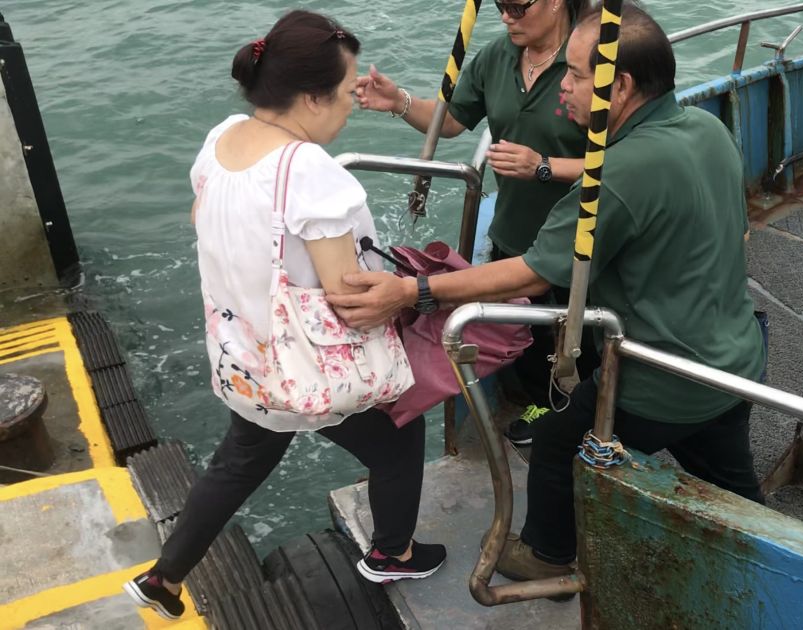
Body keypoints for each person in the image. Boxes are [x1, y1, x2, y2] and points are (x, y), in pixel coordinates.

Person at [327, 3, 766, 583]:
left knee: (558, 443)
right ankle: (763, 551)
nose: (567, 87)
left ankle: (546, 555)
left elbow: (533, 274)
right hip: (734, 360)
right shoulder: (707, 129)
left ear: (622, 85)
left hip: (661, 381)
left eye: (579, 75)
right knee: (728, 475)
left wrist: (412, 290)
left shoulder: (620, 171)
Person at [122, 12, 444, 621]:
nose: (352, 106)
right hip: (306, 369)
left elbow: (204, 221)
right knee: (401, 437)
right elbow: (350, 297)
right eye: (348, 94)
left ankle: (164, 577)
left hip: (248, 356)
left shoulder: (224, 138)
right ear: (311, 97)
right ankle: (393, 552)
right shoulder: (313, 175)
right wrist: (420, 292)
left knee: (242, 458)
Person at [355, 0, 597, 446]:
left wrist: (543, 166)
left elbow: (624, 159)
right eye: (500, 6)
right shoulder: (496, 57)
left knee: (584, 334)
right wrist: (399, 102)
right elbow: (452, 122)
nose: (506, 16)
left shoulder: (587, 57)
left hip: (583, 235)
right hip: (515, 232)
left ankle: (590, 413)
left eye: (517, 6)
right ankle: (547, 405)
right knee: (528, 335)